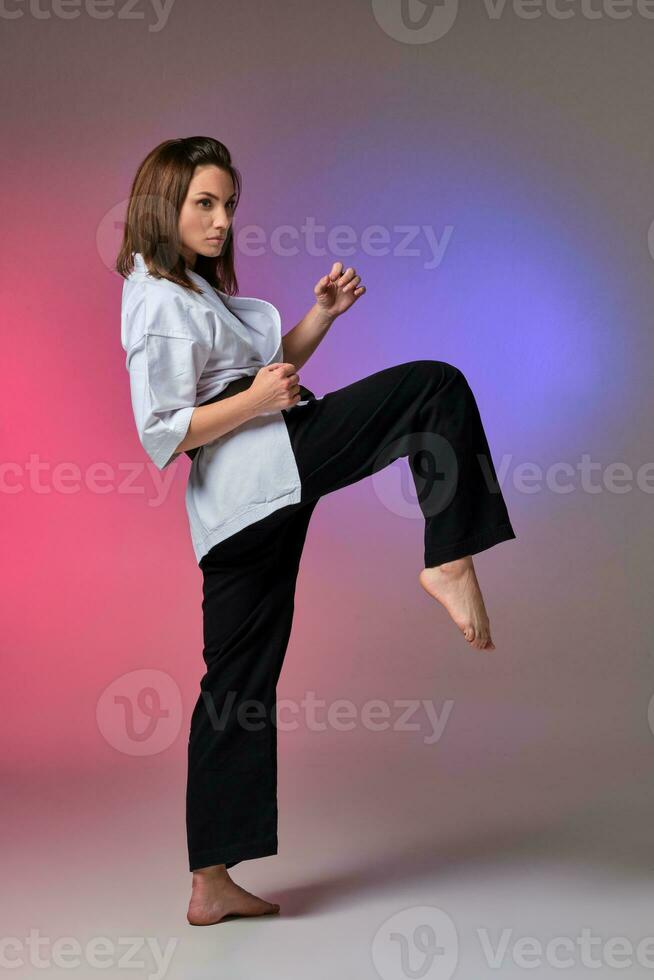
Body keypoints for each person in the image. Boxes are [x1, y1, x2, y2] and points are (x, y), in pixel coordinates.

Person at [117, 136, 517, 927]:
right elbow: (164, 432)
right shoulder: (157, 301)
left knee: (235, 690)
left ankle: (210, 880)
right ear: (164, 204)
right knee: (434, 389)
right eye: (205, 203)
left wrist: (322, 316)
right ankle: (448, 558)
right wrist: (263, 403)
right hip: (263, 471)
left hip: (241, 512)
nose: (223, 219)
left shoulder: (187, 289)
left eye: (229, 204)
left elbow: (267, 369)